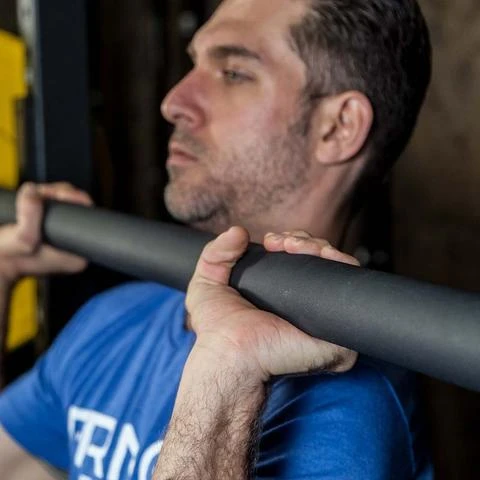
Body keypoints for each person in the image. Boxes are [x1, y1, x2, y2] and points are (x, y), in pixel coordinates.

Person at [0, 0, 433, 478]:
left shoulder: (349, 408)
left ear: (337, 127)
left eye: (233, 73)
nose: (173, 102)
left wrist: (228, 369)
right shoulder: (116, 320)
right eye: (194, 63)